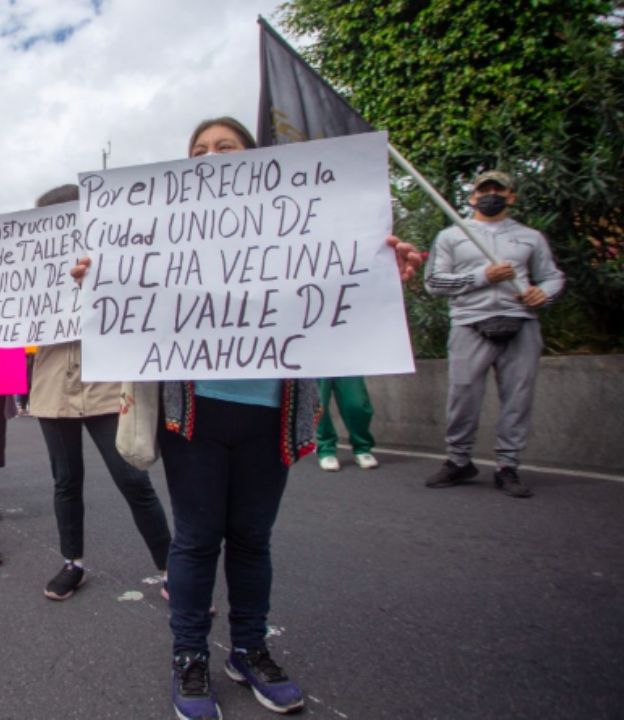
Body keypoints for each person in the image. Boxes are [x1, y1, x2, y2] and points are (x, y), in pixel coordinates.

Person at [72, 117, 423, 720]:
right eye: (198, 151)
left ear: (256, 163)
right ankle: (189, 655)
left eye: (225, 147)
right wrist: (97, 280)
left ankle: (249, 649)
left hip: (270, 414)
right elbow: (125, 306)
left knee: (252, 539)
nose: (210, 156)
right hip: (194, 416)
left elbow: (341, 286)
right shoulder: (160, 234)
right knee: (196, 539)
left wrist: (384, 274)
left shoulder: (300, 225)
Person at [0, 184, 174, 601]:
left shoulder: (113, 259)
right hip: (54, 388)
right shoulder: (32, 263)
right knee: (66, 481)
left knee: (133, 479)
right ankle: (73, 563)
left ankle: (172, 569)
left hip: (106, 384)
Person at [423, 170, 564, 498]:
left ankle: (508, 466)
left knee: (518, 397)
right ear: (472, 197)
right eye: (483, 190)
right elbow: (434, 283)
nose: (491, 195)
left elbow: (552, 276)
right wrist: (482, 276)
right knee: (462, 394)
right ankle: (459, 460)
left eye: (498, 190)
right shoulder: (452, 236)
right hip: (470, 322)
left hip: (520, 322)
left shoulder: (530, 237)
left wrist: (543, 293)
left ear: (511, 196)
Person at [315, 377, 379, 472]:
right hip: (317, 368)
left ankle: (362, 447)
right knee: (319, 402)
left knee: (358, 404)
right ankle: (326, 450)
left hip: (346, 367)